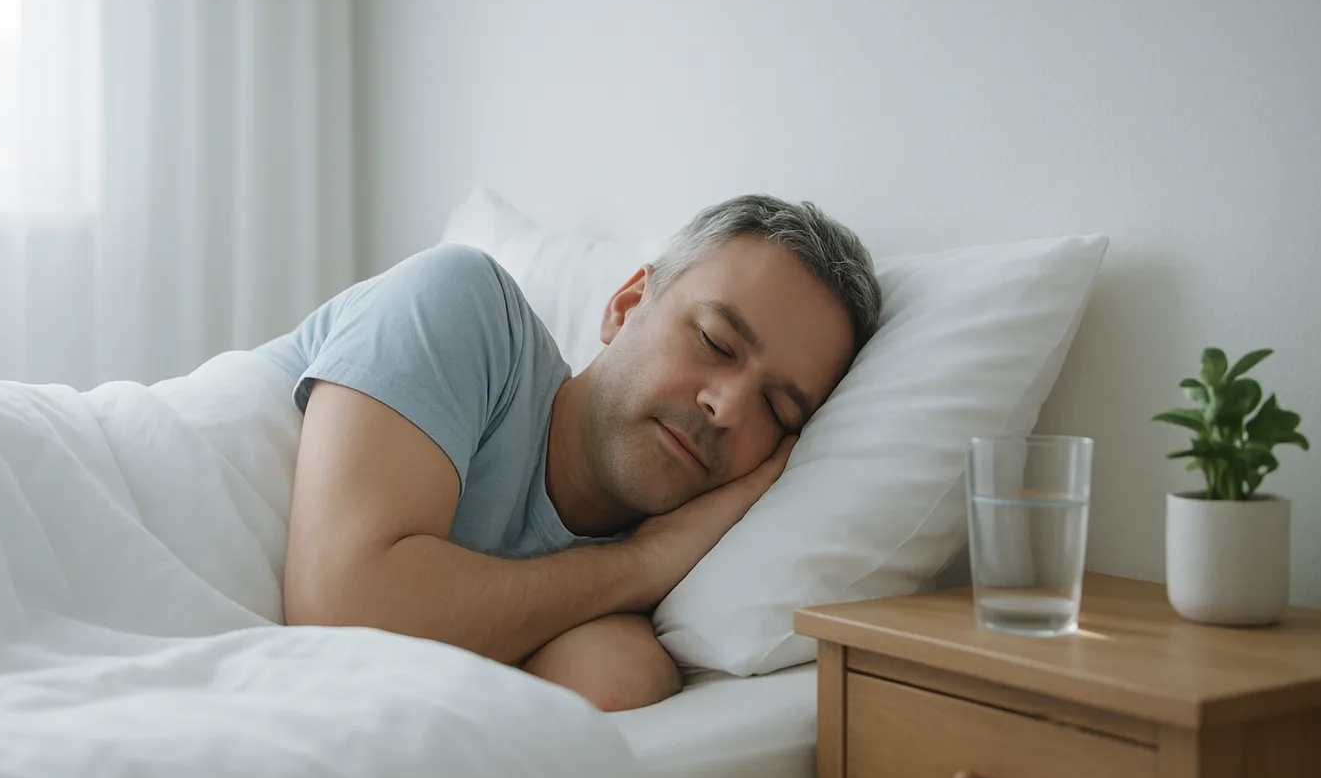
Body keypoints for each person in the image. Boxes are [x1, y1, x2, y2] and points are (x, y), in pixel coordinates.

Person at [256, 195, 880, 712]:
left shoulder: (623, 622)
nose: (729, 408)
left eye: (779, 411)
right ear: (627, 304)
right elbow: (341, 617)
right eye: (717, 342)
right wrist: (645, 561)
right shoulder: (465, 304)